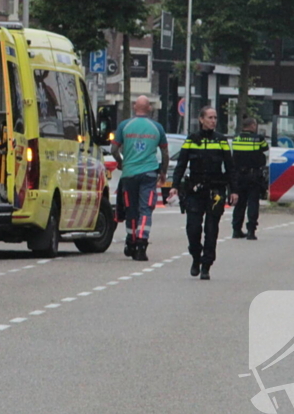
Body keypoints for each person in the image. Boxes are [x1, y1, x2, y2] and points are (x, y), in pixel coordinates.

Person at [168, 107, 238, 280]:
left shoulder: (221, 140)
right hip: (195, 190)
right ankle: (195, 256)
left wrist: (233, 190)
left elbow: (230, 167)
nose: (213, 120)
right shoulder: (191, 140)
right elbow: (181, 164)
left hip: (215, 191)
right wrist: (175, 185)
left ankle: (206, 264)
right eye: (210, 117)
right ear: (201, 119)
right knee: (192, 228)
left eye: (215, 118)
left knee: (211, 229)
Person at [111, 96, 168, 262]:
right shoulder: (157, 128)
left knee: (131, 209)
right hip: (149, 174)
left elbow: (114, 149)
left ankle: (131, 241)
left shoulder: (124, 126)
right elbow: (164, 152)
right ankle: (142, 244)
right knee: (146, 209)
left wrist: (122, 163)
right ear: (149, 108)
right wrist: (163, 172)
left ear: (134, 107)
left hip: (129, 174)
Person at [230, 117, 269, 240]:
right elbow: (266, 151)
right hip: (253, 175)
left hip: (239, 176)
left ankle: (236, 230)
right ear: (252, 126)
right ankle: (251, 231)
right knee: (253, 203)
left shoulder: (236, 139)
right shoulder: (258, 139)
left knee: (240, 203)